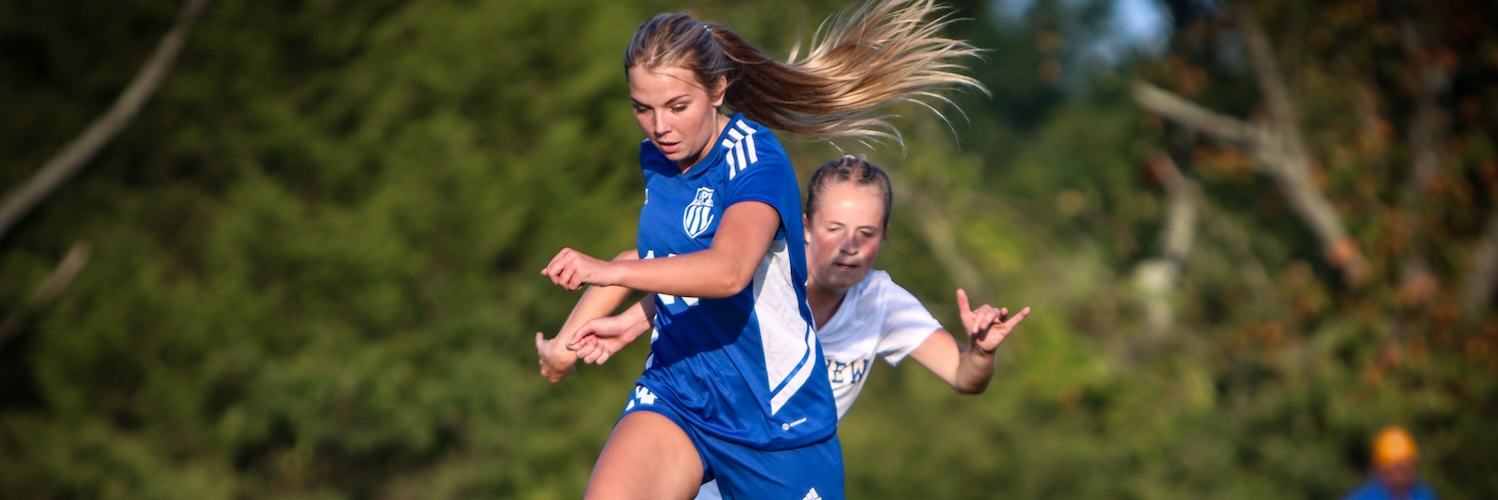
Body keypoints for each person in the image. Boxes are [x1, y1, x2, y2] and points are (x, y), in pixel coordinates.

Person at [536, 1, 984, 498]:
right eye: (643, 108)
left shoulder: (757, 160)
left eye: (677, 107)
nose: (659, 126)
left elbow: (729, 271)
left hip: (776, 422)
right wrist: (596, 335)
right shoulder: (659, 161)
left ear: (717, 90)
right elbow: (662, 265)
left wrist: (599, 270)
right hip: (679, 393)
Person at [543, 156, 1029, 499]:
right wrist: (565, 348)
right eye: (835, 229)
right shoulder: (761, 266)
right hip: (705, 465)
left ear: (883, 238)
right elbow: (639, 263)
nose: (850, 246)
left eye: (867, 234)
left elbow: (964, 377)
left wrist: (981, 351)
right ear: (805, 227)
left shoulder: (881, 301)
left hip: (785, 472)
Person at [1343, 426, 1439, 500]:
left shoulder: (1425, 495)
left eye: (1406, 463)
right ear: (1378, 466)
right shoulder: (1362, 497)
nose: (1400, 473)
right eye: (1394, 466)